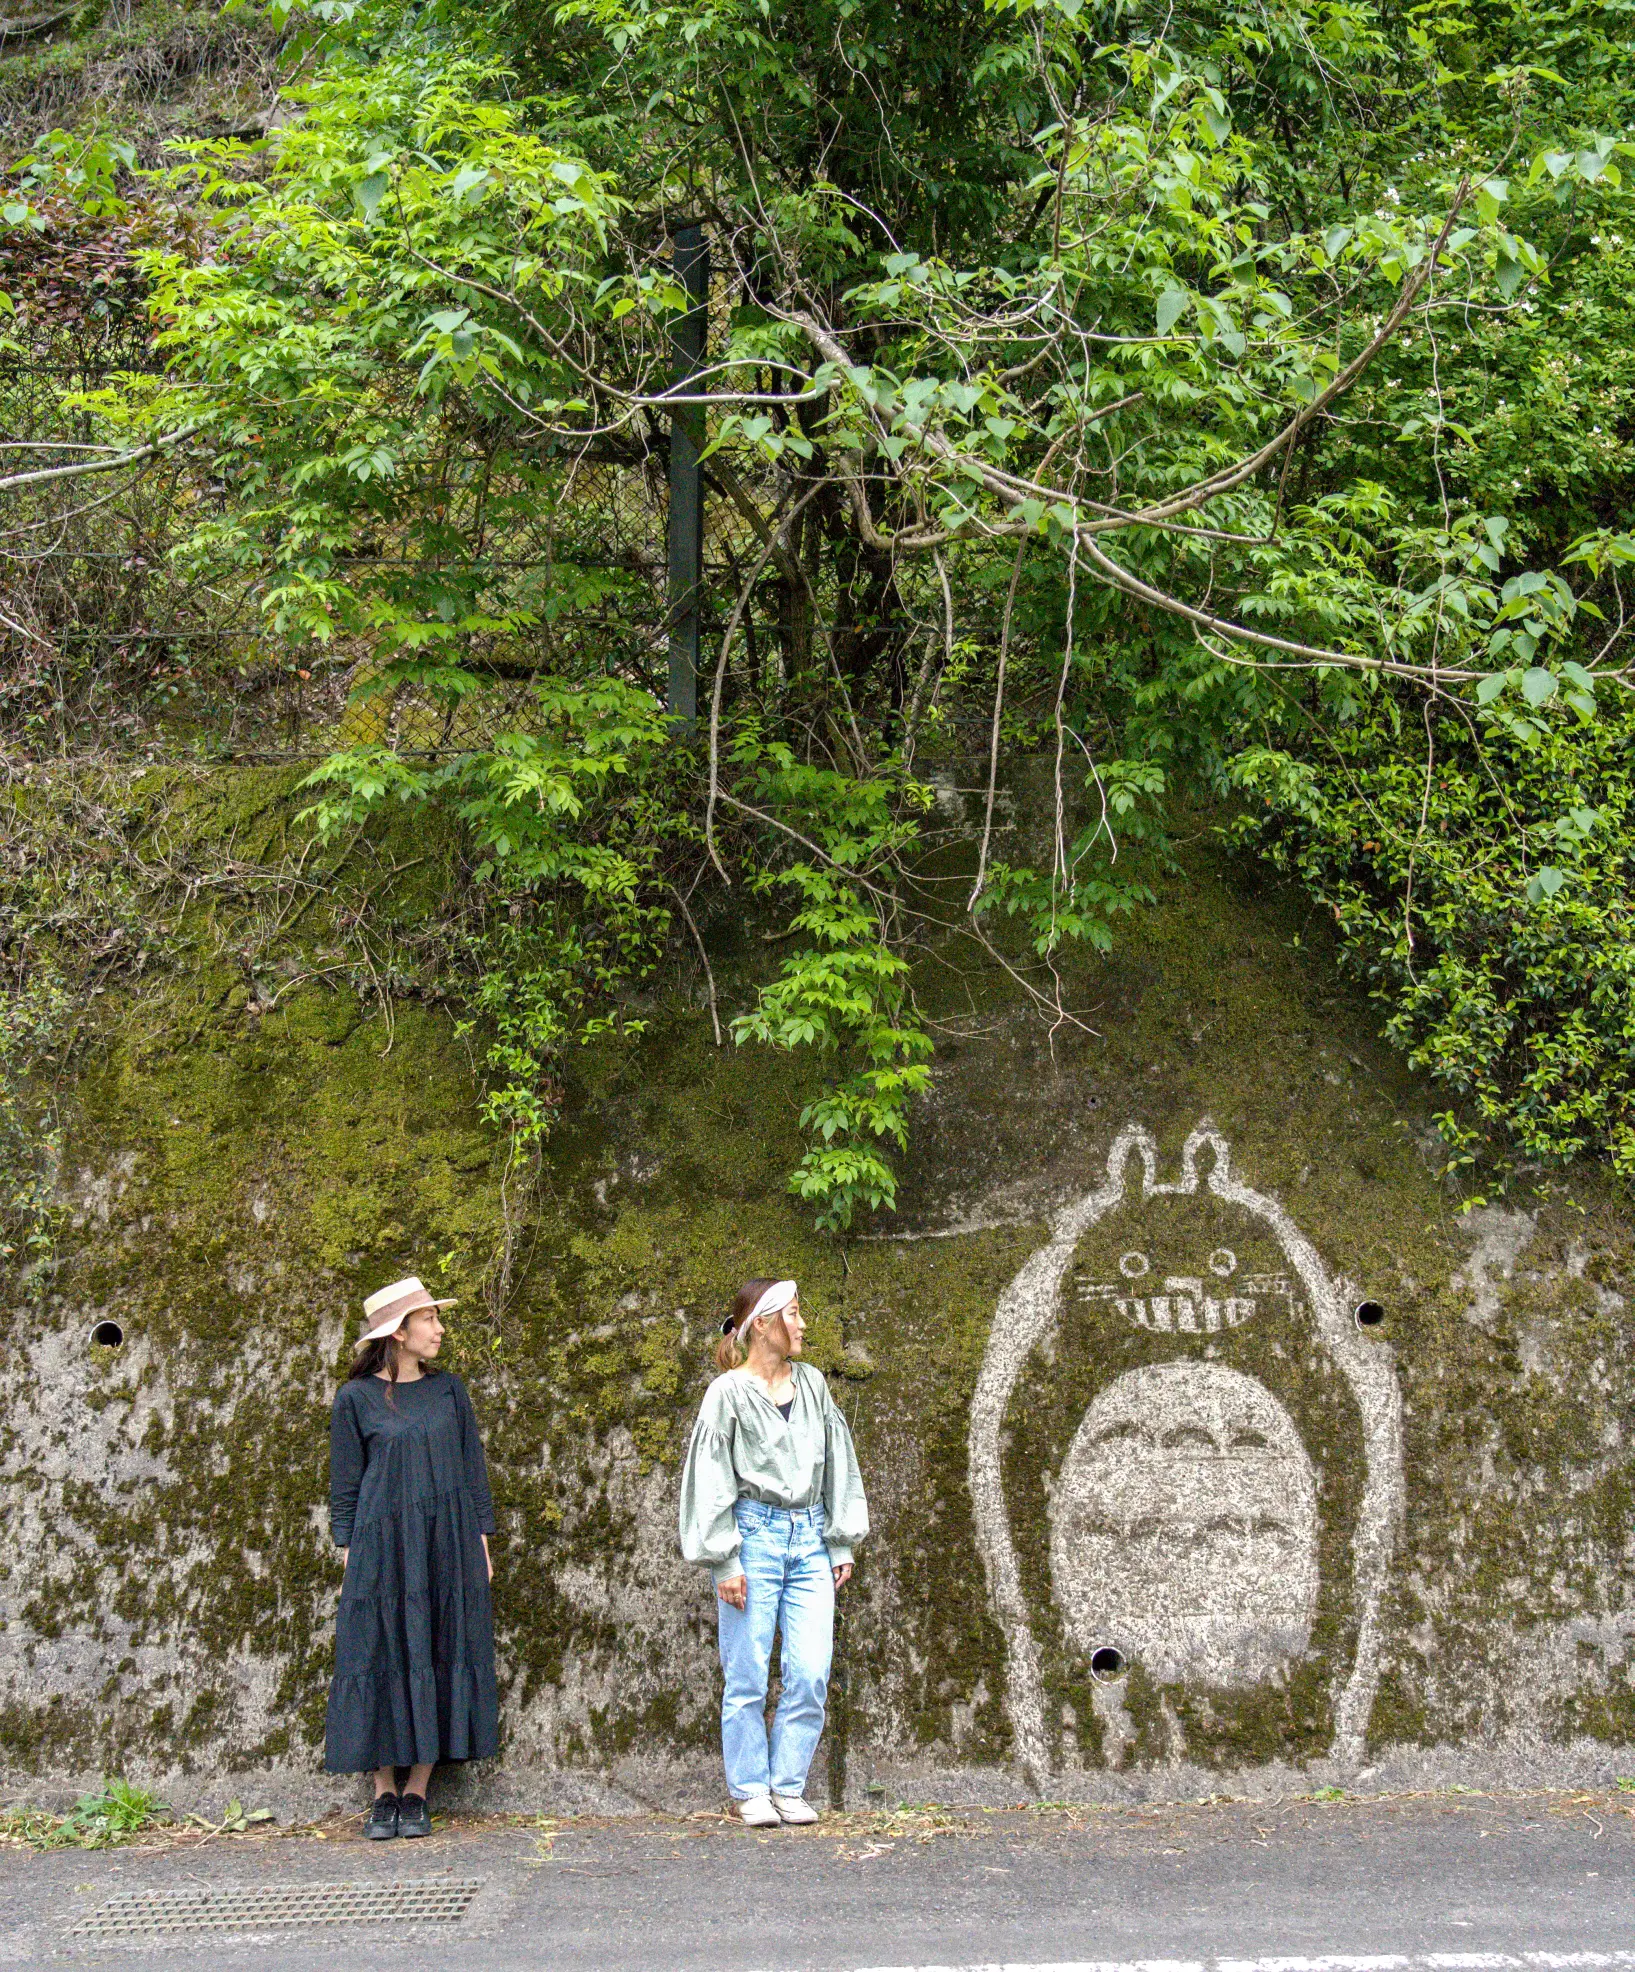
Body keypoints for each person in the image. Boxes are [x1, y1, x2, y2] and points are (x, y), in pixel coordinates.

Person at [678, 1277, 869, 1825]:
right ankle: (749, 1790)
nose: (803, 1323)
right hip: (753, 1539)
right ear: (763, 1323)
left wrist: (840, 1540)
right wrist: (724, 1560)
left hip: (810, 1539)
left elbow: (838, 1459)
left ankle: (788, 1785)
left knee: (810, 1670)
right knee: (747, 1674)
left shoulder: (811, 1384)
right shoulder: (727, 1394)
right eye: (793, 1313)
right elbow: (710, 1479)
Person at [326, 1275, 499, 1840]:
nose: (439, 1329)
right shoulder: (354, 1399)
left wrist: (483, 1540)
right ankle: (382, 1793)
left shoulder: (450, 1391)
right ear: (399, 1333)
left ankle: (419, 1789)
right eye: (429, 1320)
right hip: (381, 1543)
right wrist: (349, 1547)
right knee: (379, 1647)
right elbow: (346, 1484)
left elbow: (473, 1469)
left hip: (447, 1540)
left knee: (442, 1645)